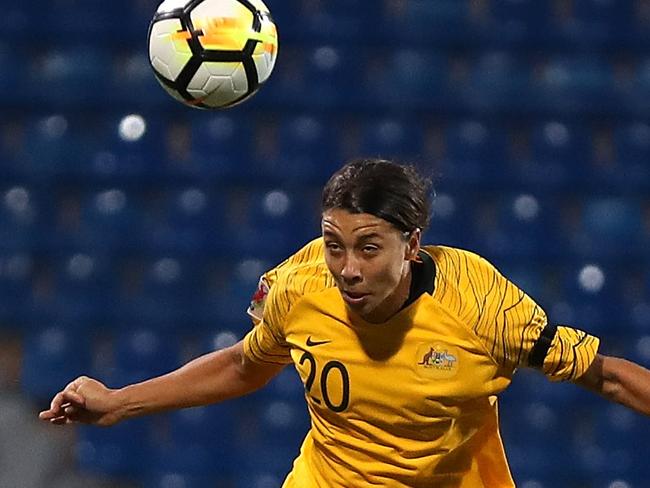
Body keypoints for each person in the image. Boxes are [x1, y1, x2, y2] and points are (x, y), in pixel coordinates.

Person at [40, 159, 650, 487]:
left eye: (368, 248)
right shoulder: (299, 285)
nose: (346, 269)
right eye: (334, 244)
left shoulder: (480, 303)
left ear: (412, 245)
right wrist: (118, 403)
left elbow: (607, 377)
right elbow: (244, 365)